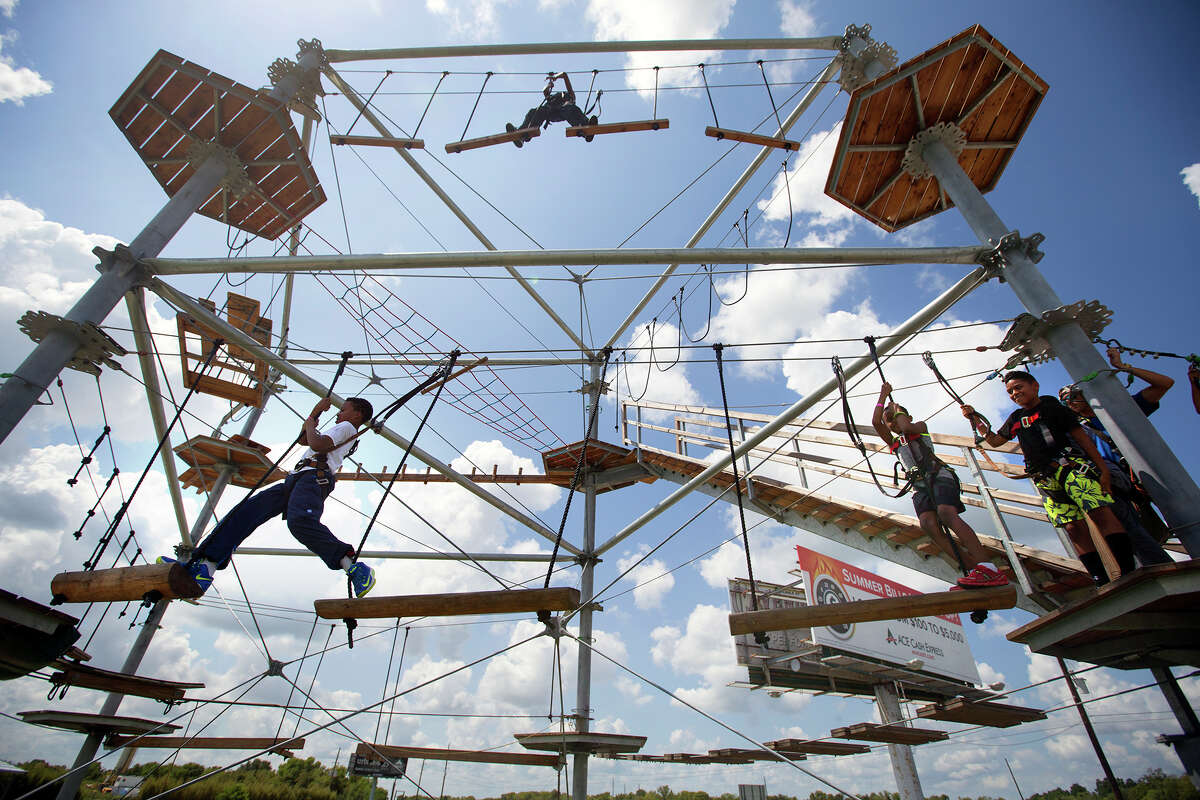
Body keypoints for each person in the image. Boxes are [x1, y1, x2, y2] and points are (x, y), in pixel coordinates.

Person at [160, 396, 377, 598]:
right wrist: (314, 415)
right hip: (298, 478)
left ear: (357, 414)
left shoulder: (348, 427)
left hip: (313, 478)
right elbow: (304, 439)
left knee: (300, 521)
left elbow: (316, 444)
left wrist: (313, 422)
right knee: (246, 512)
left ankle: (353, 566)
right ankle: (205, 565)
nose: (338, 413)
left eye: (343, 409)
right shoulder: (341, 428)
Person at [962, 371, 1136, 586]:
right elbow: (996, 441)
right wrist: (975, 419)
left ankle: (1128, 570)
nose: (1014, 393)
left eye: (1018, 388)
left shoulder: (1053, 408)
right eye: (1010, 391)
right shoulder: (1016, 418)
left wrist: (1104, 471)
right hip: (1045, 478)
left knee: (1100, 514)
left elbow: (1083, 440)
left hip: (1071, 467)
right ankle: (1100, 578)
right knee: (1072, 527)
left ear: (1034, 386)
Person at [871, 382, 1008, 589]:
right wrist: (883, 396)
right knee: (928, 524)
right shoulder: (894, 443)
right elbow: (876, 422)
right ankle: (972, 569)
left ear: (906, 416)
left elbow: (907, 427)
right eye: (889, 421)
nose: (891, 422)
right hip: (920, 486)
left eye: (895, 417)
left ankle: (987, 567)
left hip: (939, 477)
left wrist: (897, 409)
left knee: (946, 513)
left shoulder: (920, 427)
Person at [1057, 345, 1174, 566]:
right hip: (1116, 480)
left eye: (1074, 396)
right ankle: (1159, 567)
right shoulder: (1079, 430)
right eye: (1067, 400)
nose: (1071, 402)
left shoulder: (1119, 411)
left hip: (1149, 473)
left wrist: (1122, 367)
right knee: (1133, 529)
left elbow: (1164, 384)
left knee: (1178, 517)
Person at [506, 72, 597, 147]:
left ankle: (585, 126)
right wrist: (549, 85)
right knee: (535, 111)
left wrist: (556, 77)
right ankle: (522, 133)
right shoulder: (553, 98)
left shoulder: (570, 96)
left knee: (570, 108)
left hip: (564, 112)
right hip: (551, 113)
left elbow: (565, 75)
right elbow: (545, 91)